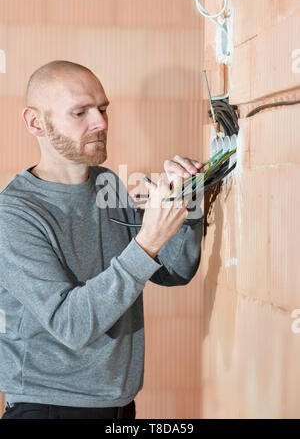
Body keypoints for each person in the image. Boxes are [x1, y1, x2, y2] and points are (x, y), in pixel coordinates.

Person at [0, 60, 203, 419]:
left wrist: (185, 204)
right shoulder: (14, 214)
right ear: (35, 122)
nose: (101, 123)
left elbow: (173, 270)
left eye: (103, 109)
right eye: (80, 112)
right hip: (49, 407)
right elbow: (71, 325)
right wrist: (147, 242)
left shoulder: (106, 184)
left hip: (119, 405)